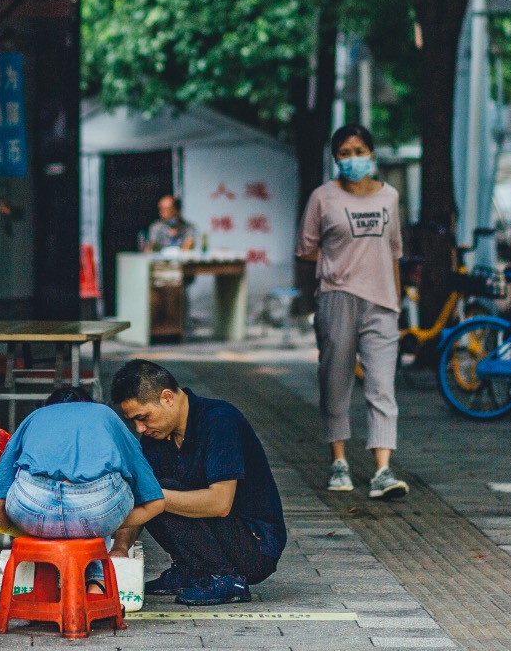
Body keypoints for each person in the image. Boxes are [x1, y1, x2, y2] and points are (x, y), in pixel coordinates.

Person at [110, 359, 284, 608]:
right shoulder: (156, 435)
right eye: (134, 421)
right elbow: (142, 495)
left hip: (255, 547)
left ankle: (226, 577)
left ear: (167, 397)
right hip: (221, 536)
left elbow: (220, 503)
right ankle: (191, 569)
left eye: (143, 417)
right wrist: (119, 547)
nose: (140, 428)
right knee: (151, 488)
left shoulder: (220, 420)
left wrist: (154, 499)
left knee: (159, 493)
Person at [296, 123, 409, 501]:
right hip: (337, 297)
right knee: (335, 382)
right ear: (335, 159)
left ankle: (382, 469)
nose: (353, 159)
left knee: (382, 387)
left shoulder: (389, 197)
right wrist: (335, 265)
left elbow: (394, 251)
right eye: (344, 153)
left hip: (382, 302)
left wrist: (397, 301)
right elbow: (306, 248)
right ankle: (339, 461)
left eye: (360, 151)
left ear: (372, 155)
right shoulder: (322, 198)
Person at [0, 386, 166, 594]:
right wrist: (105, 524)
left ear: (49, 408)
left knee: (71, 513)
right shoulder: (104, 415)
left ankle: (48, 585)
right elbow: (155, 502)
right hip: (96, 511)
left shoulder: (36, 417)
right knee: (99, 498)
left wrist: (28, 531)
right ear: (90, 405)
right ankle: (96, 586)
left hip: (33, 510)